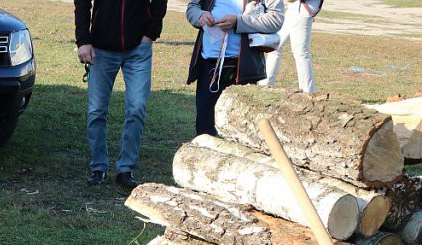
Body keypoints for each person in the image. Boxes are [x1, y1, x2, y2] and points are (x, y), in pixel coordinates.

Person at [74, 0, 168, 189]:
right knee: (96, 110)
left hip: (138, 49)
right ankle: (98, 167)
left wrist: (151, 33)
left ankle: (126, 169)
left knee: (136, 108)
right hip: (101, 47)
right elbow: (82, 2)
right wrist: (83, 40)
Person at [186, 0, 284, 136]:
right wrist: (200, 16)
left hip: (242, 69)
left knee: (241, 130)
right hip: (208, 67)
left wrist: (239, 22)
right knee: (204, 130)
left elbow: (276, 18)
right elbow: (193, 7)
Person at [261, 0, 322, 93]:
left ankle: (308, 91)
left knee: (301, 52)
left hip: (303, 7)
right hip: (295, 7)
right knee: (275, 46)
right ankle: (265, 84)